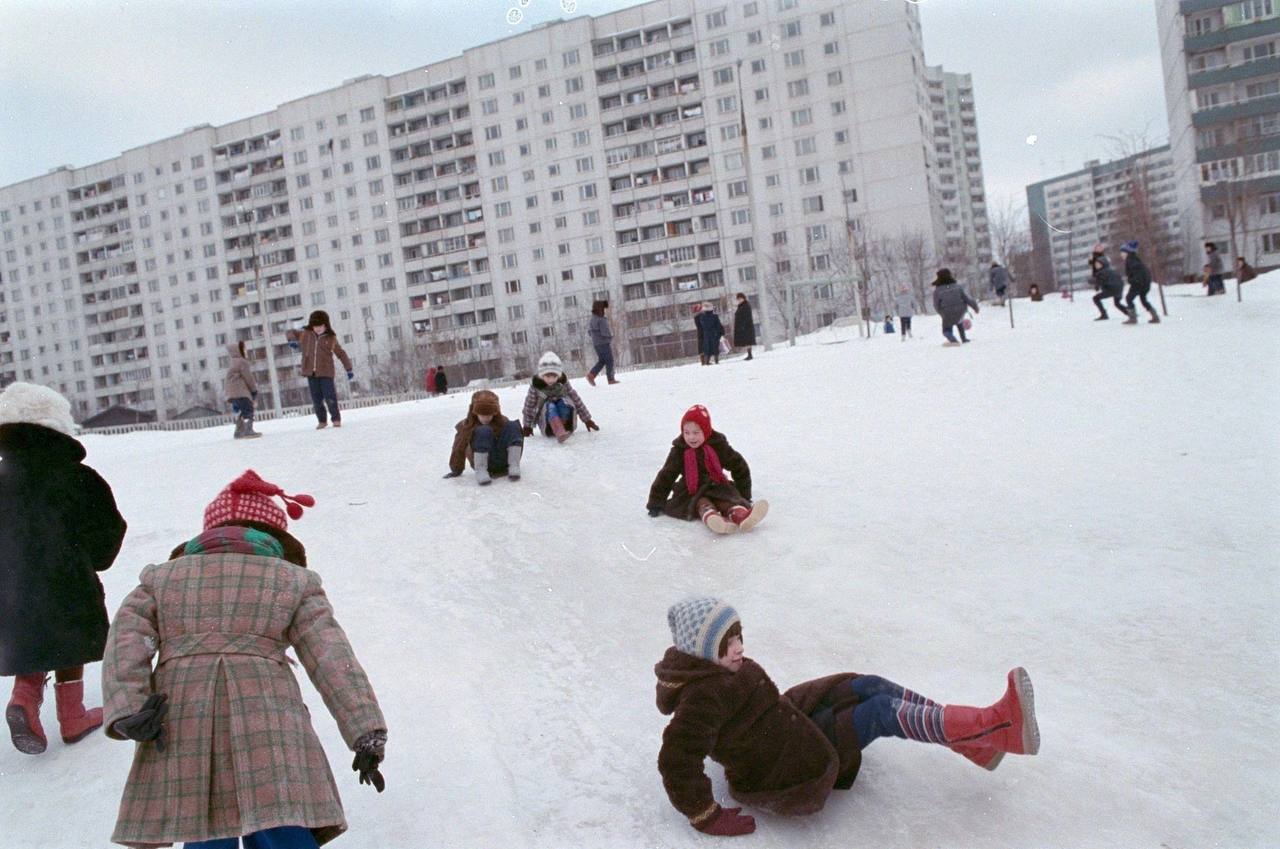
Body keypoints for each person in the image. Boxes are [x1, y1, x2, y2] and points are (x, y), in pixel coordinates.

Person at [103, 470, 387, 849]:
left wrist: (129, 707)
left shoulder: (161, 579)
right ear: (275, 536)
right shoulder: (292, 580)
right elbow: (331, 655)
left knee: (203, 825)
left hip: (184, 717)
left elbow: (126, 639)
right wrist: (365, 731)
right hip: (269, 719)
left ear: (208, 533)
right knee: (280, 819)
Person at [655, 597, 1041, 837]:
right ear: (705, 652)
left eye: (738, 636)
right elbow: (676, 758)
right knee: (878, 713)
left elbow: (761, 704)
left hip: (785, 721)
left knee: (869, 684)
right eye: (728, 644)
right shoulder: (703, 697)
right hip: (782, 764)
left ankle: (975, 744)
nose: (739, 648)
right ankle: (996, 728)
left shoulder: (723, 670)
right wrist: (705, 814)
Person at [0, 383, 127, 755]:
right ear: (57, 427)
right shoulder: (79, 477)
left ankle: (24, 697)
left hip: (11, 586)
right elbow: (109, 530)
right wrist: (90, 558)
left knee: (31, 638)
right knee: (69, 638)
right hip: (67, 580)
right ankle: (72, 716)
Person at [646, 405, 767, 534]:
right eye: (686, 433)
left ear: (706, 430)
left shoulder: (718, 445)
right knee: (701, 502)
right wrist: (656, 502)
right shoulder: (679, 450)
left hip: (717, 485)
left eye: (696, 433)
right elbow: (666, 475)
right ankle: (712, 518)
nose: (691, 437)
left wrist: (744, 494)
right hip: (690, 490)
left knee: (726, 499)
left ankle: (740, 514)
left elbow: (739, 465)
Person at [285, 310, 354, 429]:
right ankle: (322, 420)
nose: (317, 329)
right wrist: (292, 341)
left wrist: (348, 368)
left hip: (326, 372)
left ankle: (336, 418)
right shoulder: (306, 334)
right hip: (311, 373)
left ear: (325, 325)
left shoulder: (331, 338)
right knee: (316, 400)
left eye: (320, 326)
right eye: (315, 326)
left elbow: (341, 353)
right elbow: (290, 332)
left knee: (330, 397)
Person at [445, 389, 524, 485]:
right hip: (483, 462)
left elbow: (513, 438)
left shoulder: (502, 421)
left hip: (503, 461)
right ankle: (481, 471)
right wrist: (456, 469)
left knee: (513, 425)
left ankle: (514, 465)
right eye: (482, 415)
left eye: (489, 415)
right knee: (483, 430)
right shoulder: (467, 426)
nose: (486, 418)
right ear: (474, 412)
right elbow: (459, 447)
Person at [520, 351, 598, 443]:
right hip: (547, 425)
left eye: (554, 376)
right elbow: (529, 407)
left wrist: (587, 420)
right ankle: (558, 430)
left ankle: (563, 426)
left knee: (564, 402)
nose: (551, 380)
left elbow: (576, 400)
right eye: (547, 376)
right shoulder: (536, 387)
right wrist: (527, 426)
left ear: (558, 375)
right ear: (541, 375)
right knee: (550, 405)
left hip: (568, 425)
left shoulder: (563, 383)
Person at [223, 340, 262, 440]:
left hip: (232, 393)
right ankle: (248, 430)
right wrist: (253, 390)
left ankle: (239, 430)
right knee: (249, 409)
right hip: (241, 392)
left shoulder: (232, 362)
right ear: (238, 351)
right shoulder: (242, 362)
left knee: (243, 409)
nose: (245, 351)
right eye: (243, 349)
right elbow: (248, 377)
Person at [931, 268, 979, 345]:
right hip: (961, 310)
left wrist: (942, 313)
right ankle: (964, 339)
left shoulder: (937, 291)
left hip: (947, 312)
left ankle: (953, 340)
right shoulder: (957, 286)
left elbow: (936, 305)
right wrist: (975, 307)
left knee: (946, 330)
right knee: (959, 321)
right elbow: (966, 299)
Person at [1119, 240, 1161, 325]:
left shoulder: (1131, 261)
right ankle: (1155, 316)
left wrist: (1132, 281)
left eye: (1122, 252)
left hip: (1138, 283)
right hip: (1145, 283)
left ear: (1127, 252)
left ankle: (1133, 318)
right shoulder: (1135, 259)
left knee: (1129, 298)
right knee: (1143, 300)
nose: (1121, 254)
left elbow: (1136, 274)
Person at [1089, 250, 1131, 321]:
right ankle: (1130, 313)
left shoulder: (1103, 272)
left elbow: (1100, 281)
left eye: (1098, 264)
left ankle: (1104, 314)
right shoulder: (1110, 270)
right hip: (1118, 289)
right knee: (1117, 303)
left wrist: (1092, 281)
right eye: (1095, 264)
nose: (1096, 266)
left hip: (1112, 289)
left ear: (1103, 264)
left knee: (1096, 298)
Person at [586, 300, 619, 386]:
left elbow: (589, 332)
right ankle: (611, 379)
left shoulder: (592, 319)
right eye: (603, 308)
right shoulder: (601, 320)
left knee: (602, 360)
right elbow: (605, 332)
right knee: (609, 361)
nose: (604, 310)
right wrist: (610, 337)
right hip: (603, 343)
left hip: (596, 344)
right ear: (600, 309)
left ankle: (591, 375)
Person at [732, 293, 756, 360]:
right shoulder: (741, 306)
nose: (739, 300)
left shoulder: (746, 305)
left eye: (740, 299)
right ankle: (749, 355)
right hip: (743, 326)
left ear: (743, 298)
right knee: (746, 341)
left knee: (748, 341)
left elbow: (746, 316)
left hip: (746, 326)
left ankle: (750, 355)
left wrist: (743, 325)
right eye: (738, 299)